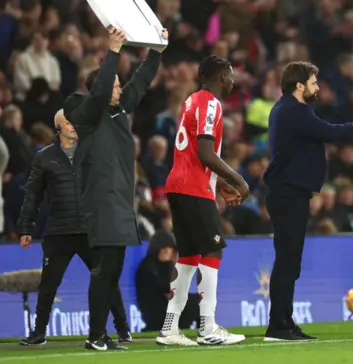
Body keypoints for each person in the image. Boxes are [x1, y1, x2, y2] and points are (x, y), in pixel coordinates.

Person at [63, 27, 168, 351]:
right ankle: (96, 335)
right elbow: (98, 95)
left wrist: (156, 51)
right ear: (102, 86)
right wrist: (113, 50)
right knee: (104, 271)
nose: (120, 90)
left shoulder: (119, 111)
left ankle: (102, 334)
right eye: (115, 85)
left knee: (112, 274)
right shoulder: (87, 114)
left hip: (122, 203)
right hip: (102, 202)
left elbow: (140, 82)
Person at [262, 61, 353, 342]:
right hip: (288, 194)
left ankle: (284, 322)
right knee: (288, 262)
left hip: (288, 193)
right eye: (313, 82)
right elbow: (329, 132)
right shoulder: (294, 110)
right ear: (299, 85)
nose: (317, 87)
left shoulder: (287, 109)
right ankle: (278, 326)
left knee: (289, 261)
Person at [16, 110, 131, 346]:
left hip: (92, 230)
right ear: (57, 127)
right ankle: (38, 334)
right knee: (48, 284)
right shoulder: (45, 157)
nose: (74, 126)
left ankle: (123, 329)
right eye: (68, 122)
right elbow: (32, 194)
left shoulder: (93, 152)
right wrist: (25, 226)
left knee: (107, 280)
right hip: (59, 231)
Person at [158, 55, 249, 346]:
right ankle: (208, 327)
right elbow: (205, 153)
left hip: (178, 184)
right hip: (193, 188)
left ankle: (170, 328)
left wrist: (219, 182)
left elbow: (193, 154)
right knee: (212, 250)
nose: (233, 80)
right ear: (221, 76)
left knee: (187, 258)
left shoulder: (191, 100)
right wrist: (239, 180)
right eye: (231, 74)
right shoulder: (210, 103)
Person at [135, 231, 199, 332]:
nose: (175, 254)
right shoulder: (152, 268)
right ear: (163, 249)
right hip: (161, 316)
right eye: (173, 250)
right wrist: (167, 264)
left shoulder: (147, 265)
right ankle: (205, 332)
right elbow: (170, 290)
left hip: (160, 313)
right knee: (199, 301)